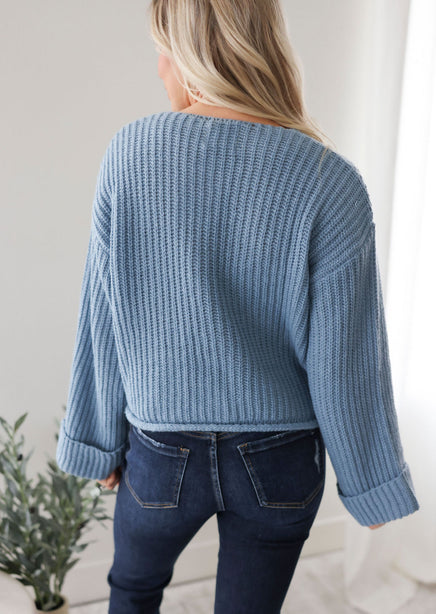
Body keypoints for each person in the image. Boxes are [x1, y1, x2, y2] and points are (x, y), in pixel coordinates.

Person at [55, 1, 420, 612]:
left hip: (160, 452)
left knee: (133, 590)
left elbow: (104, 314)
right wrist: (370, 483)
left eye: (163, 50)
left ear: (194, 55)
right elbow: (347, 360)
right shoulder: (331, 180)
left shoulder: (130, 154)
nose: (159, 68)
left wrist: (97, 441)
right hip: (280, 461)